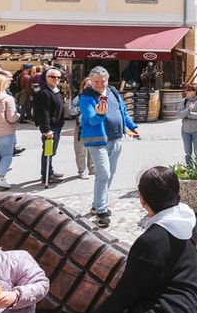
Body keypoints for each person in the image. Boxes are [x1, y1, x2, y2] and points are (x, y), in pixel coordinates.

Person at [84, 166, 197, 313]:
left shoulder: (150, 242)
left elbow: (122, 297)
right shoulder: (189, 220)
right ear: (176, 191)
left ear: (142, 199)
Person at [79, 66, 140, 228]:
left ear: (107, 80)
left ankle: (98, 203)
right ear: (90, 81)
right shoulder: (86, 98)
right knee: (103, 173)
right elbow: (92, 120)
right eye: (96, 81)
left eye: (102, 81)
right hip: (97, 140)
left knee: (110, 174)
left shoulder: (112, 91)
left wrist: (132, 126)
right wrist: (100, 114)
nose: (100, 84)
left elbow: (123, 111)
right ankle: (101, 210)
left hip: (116, 138)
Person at [33, 67, 66, 184]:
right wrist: (46, 130)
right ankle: (46, 175)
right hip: (51, 128)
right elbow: (43, 113)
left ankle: (49, 171)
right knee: (48, 151)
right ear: (46, 78)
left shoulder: (55, 90)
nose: (56, 79)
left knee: (51, 151)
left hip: (57, 125)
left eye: (58, 77)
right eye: (53, 77)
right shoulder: (44, 93)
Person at [177, 82, 197, 165]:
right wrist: (188, 110)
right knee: (187, 153)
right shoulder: (184, 101)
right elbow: (179, 114)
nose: (185, 92)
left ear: (194, 92)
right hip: (185, 131)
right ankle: (189, 169)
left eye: (188, 90)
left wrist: (188, 115)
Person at [71, 77, 95, 179]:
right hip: (81, 127)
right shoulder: (78, 98)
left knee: (93, 151)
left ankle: (93, 169)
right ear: (83, 86)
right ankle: (82, 171)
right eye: (87, 85)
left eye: (91, 85)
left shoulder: (97, 98)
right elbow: (71, 111)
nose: (89, 87)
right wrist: (79, 109)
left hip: (94, 127)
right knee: (80, 151)